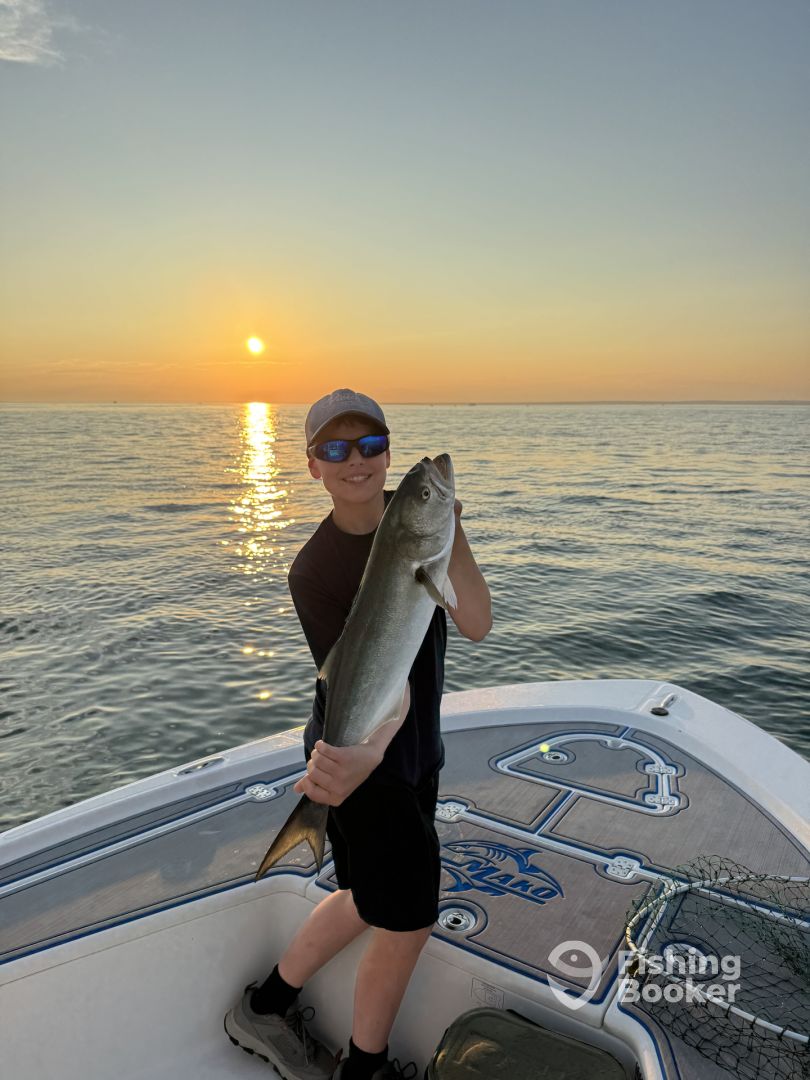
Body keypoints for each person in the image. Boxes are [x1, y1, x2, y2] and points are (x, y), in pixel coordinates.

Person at [224, 388, 492, 1080]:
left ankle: (265, 1006)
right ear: (312, 464)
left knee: (367, 897)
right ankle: (364, 1070)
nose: (356, 461)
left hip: (412, 751)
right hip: (356, 762)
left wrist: (448, 531)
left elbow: (476, 622)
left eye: (370, 445)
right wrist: (363, 755)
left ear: (387, 454)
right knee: (407, 921)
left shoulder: (419, 528)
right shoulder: (313, 570)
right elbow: (361, 676)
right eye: (336, 449)